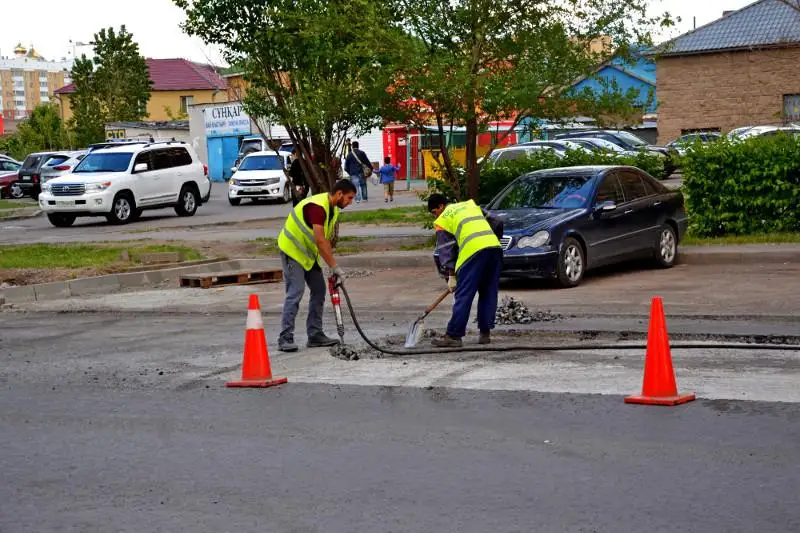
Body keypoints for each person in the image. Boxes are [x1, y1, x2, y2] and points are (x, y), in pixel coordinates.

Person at [277, 179, 358, 352]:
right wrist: (335, 267)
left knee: (319, 290)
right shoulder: (317, 208)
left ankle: (315, 335)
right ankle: (285, 338)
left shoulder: (332, 210)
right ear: (339, 194)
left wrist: (329, 266)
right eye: (349, 198)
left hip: (307, 254)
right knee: (295, 292)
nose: (350, 202)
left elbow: (325, 242)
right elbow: (320, 240)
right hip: (292, 251)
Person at [428, 193, 503, 348]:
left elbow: (445, 250)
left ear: (441, 206)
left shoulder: (443, 220)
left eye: (434, 212)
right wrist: (490, 240)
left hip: (473, 252)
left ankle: (454, 336)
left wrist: (451, 275)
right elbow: (497, 221)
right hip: (494, 249)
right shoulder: (470, 205)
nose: (435, 216)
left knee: (464, 294)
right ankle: (485, 333)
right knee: (488, 291)